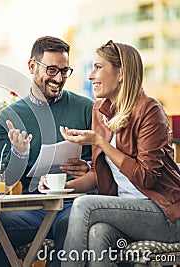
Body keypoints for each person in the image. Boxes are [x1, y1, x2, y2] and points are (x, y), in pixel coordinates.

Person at [0, 36, 95, 267]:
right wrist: (19, 154)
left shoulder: (86, 108)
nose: (58, 78)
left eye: (64, 70)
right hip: (34, 207)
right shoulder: (11, 116)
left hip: (74, 203)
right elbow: (5, 180)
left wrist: (87, 167)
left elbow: (103, 166)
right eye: (51, 70)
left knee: (70, 225)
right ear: (32, 66)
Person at [60, 40, 180, 267]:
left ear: (122, 73)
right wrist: (60, 187)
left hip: (165, 215)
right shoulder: (101, 110)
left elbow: (146, 177)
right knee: (98, 233)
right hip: (126, 211)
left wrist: (101, 143)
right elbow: (100, 173)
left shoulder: (149, 110)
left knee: (83, 205)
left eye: (98, 67)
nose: (90, 76)